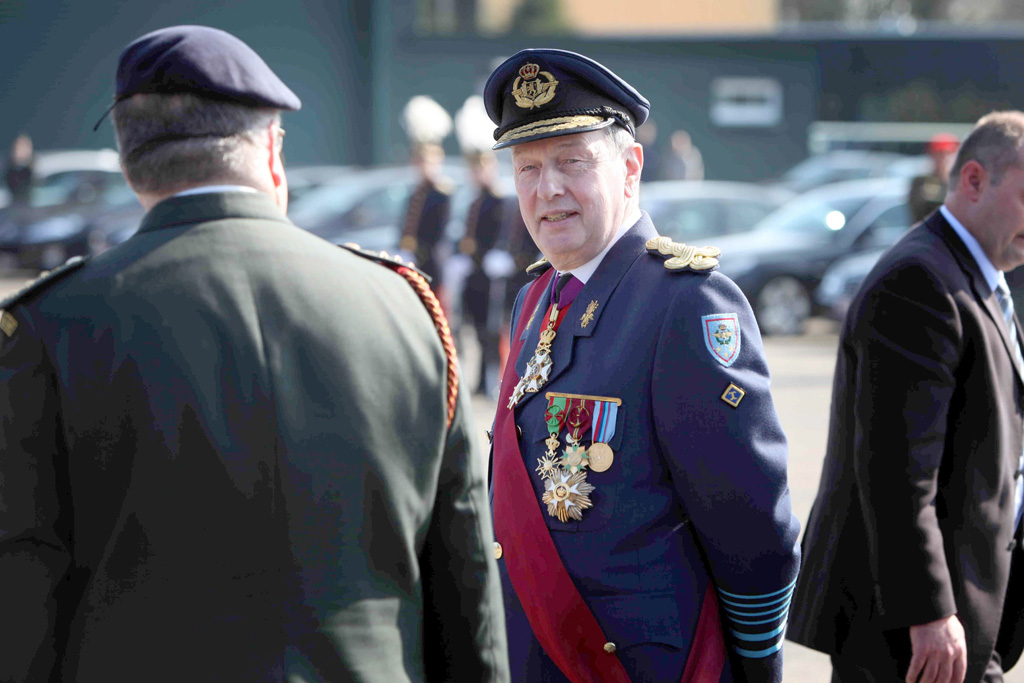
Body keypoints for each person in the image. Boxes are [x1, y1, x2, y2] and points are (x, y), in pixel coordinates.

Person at [0, 25, 508, 683]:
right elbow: (465, 582)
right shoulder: (405, 310)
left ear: (130, 163)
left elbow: (23, 596)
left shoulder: (50, 326)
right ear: (272, 151)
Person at [484, 48, 801, 682]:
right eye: (528, 168)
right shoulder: (535, 299)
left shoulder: (686, 304)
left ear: (630, 168)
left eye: (573, 162)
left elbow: (753, 530)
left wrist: (750, 667)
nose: (548, 190)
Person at [788, 111, 1024, 683]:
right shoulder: (920, 283)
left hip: (962, 607)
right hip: (910, 629)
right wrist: (929, 611)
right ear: (973, 180)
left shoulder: (977, 277)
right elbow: (896, 470)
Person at [453, 95, 506, 395]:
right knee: (472, 327)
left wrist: (497, 256)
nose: (478, 173)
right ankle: (478, 381)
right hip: (473, 271)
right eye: (475, 168)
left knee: (490, 329)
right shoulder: (474, 201)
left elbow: (501, 236)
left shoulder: (499, 200)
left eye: (482, 167)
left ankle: (491, 381)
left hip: (491, 273)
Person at [399, 95, 454, 281]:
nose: (424, 167)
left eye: (429, 162)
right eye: (420, 162)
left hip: (431, 263)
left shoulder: (441, 194)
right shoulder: (415, 193)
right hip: (412, 260)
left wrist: (419, 250)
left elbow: (439, 234)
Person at [908, 132, 960, 223]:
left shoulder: (962, 183)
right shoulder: (921, 182)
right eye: (939, 154)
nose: (944, 158)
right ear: (931, 154)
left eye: (948, 153)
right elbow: (923, 209)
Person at [4, 133, 34, 203]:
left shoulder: (36, 168)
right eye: (19, 147)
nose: (22, 150)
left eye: (25, 147)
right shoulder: (7, 169)